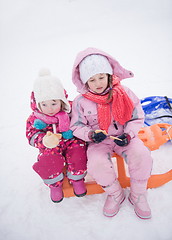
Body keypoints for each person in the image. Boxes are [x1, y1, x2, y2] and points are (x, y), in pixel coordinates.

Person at [70, 47, 153, 219]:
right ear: (85, 82)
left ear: (109, 75)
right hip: (99, 142)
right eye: (92, 80)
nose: (98, 83)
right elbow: (76, 125)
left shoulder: (125, 93)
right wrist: (91, 135)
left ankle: (138, 193)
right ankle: (115, 193)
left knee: (142, 154)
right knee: (96, 164)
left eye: (101, 77)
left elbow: (137, 117)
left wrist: (129, 134)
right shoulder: (80, 102)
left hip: (124, 136)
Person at [26, 68, 87, 203]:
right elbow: (31, 135)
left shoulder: (71, 110)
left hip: (70, 141)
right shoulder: (35, 119)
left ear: (62, 101)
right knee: (48, 158)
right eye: (44, 104)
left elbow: (81, 122)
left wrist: (77, 134)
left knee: (79, 151)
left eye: (54, 103)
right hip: (50, 146)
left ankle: (77, 179)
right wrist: (44, 140)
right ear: (37, 104)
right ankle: (55, 185)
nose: (50, 108)